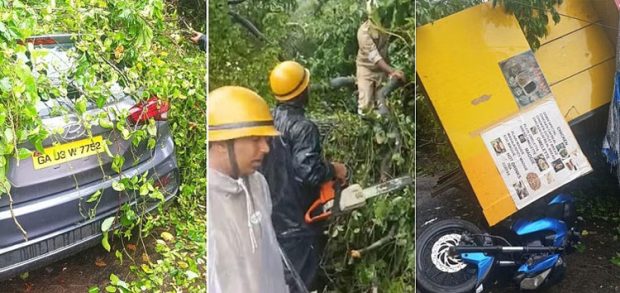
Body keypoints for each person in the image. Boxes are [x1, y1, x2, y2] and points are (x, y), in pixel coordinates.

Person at [261, 61, 348, 291]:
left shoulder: (267, 119)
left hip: (271, 217)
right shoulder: (303, 127)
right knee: (302, 283)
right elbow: (309, 171)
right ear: (302, 91)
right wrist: (334, 169)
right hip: (299, 224)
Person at [207, 86, 288, 293]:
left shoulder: (258, 184)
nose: (266, 148)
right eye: (255, 140)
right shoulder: (208, 202)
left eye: (266, 139)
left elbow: (267, 260)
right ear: (221, 143)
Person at [355, 0, 405, 115]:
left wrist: (392, 72)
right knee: (365, 105)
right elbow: (375, 57)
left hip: (382, 70)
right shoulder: (363, 33)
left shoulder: (385, 27)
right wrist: (392, 71)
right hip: (366, 69)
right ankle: (365, 126)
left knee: (382, 100)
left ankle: (383, 123)